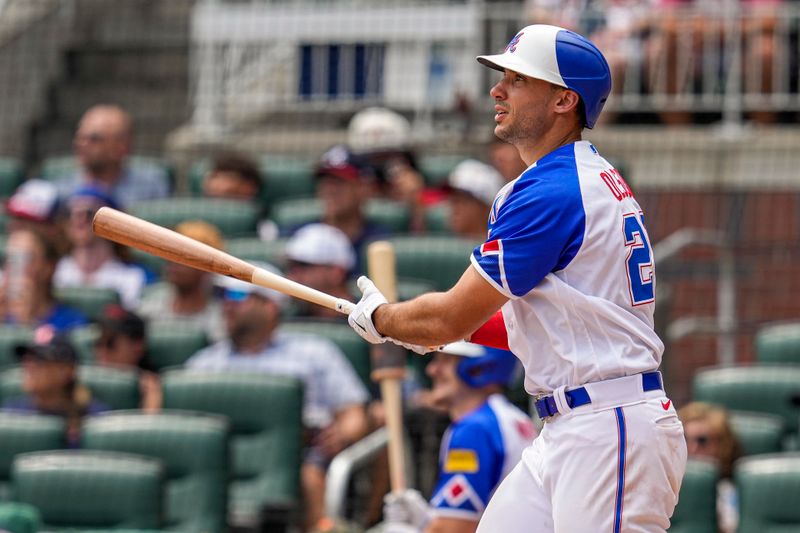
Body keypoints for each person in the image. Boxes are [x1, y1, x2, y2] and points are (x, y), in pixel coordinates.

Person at [347, 24, 687, 532]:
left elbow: (449, 317)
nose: (497, 90)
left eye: (519, 80)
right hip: (571, 424)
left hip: (608, 425)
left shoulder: (553, 190)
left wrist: (390, 320)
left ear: (563, 100)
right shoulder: (576, 176)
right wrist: (415, 329)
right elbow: (531, 321)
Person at [184, 264, 370, 533]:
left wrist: (342, 433)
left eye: (237, 297)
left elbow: (353, 411)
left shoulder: (315, 352)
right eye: (222, 297)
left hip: (301, 453)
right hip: (221, 460)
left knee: (310, 476)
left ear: (270, 306)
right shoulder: (202, 365)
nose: (227, 305)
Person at [380, 342, 536, 533]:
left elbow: (454, 530)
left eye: (445, 361)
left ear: (479, 367)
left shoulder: (474, 429)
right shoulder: (513, 418)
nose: (432, 370)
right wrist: (425, 521)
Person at [2, 325, 108, 447]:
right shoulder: (10, 413)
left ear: (66, 370)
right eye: (26, 359)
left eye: (38, 359)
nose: (29, 366)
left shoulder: (95, 419)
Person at [50, 104, 170, 207]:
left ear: (122, 147)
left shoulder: (150, 188)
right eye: (80, 137)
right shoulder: (59, 192)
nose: (82, 144)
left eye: (94, 139)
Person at [53, 185, 147, 310]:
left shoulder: (131, 276)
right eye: (72, 214)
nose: (78, 220)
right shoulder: (55, 270)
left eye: (88, 213)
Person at [137, 220, 226, 342]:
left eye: (182, 258)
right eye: (170, 255)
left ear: (206, 268)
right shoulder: (147, 310)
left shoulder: (221, 319)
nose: (172, 264)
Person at [310, 144, 390, 268]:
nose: (330, 190)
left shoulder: (381, 240)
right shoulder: (302, 235)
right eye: (325, 182)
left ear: (364, 188)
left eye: (339, 183)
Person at [1, 227, 88, 332]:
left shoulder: (72, 322)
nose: (15, 269)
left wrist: (26, 320)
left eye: (26, 259)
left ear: (48, 267)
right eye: (10, 259)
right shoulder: (3, 313)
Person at [678, 402, 741, 533]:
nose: (691, 448)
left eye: (702, 440)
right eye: (684, 439)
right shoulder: (663, 489)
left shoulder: (734, 491)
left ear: (724, 446)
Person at [94, 304, 161, 412]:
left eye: (110, 343)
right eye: (98, 343)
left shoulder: (153, 386)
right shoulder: (81, 384)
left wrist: (152, 396)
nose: (101, 351)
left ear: (137, 346)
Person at [284, 223, 357, 320]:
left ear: (337, 272)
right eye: (291, 265)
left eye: (303, 265)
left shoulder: (368, 318)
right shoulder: (286, 317)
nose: (294, 272)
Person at [442, 160, 504, 241]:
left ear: (485, 206)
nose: (454, 208)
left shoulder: (504, 250)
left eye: (461, 200)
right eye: (452, 199)